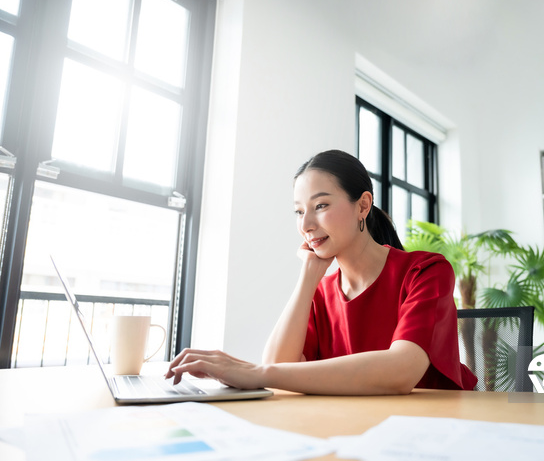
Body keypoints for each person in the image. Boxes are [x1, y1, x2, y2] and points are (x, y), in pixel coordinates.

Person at [166, 150, 477, 394]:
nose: (306, 225)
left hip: (435, 428)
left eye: (321, 206)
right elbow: (277, 369)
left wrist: (254, 372)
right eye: (299, 211)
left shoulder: (426, 271)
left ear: (363, 206)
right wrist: (308, 278)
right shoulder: (319, 292)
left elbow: (401, 371)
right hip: (354, 426)